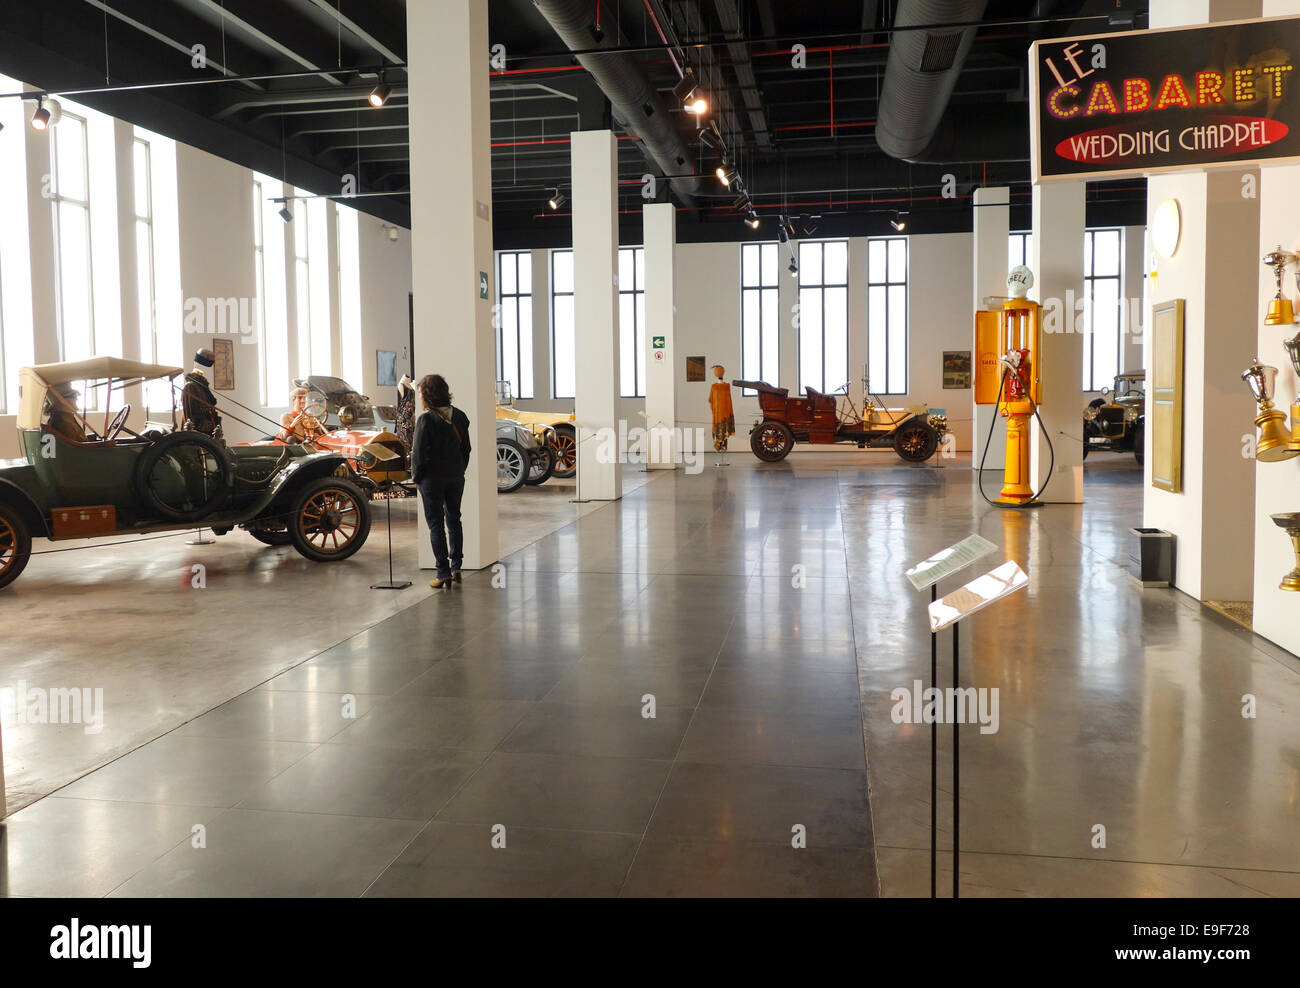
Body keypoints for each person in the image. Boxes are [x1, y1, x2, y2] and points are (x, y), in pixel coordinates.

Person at [411, 374, 471, 589]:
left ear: (427, 395)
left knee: (436, 525)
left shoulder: (425, 420)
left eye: (420, 393)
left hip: (432, 480)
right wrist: (459, 470)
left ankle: (442, 573)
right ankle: (456, 568)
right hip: (456, 477)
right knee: (454, 520)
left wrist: (416, 479)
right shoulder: (461, 417)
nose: (419, 397)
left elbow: (418, 455)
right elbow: (466, 449)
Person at [182, 348, 223, 440]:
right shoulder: (190, 387)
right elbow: (189, 415)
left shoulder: (203, 385)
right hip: (199, 431)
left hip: (209, 429)